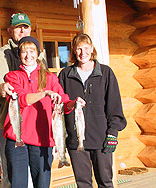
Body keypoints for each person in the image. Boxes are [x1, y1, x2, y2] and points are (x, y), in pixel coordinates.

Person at [3, 36, 85, 188]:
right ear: (19, 55)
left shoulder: (50, 78)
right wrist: (45, 93)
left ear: (38, 53)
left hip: (42, 140)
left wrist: (74, 103)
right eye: (24, 51)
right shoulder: (12, 76)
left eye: (32, 51)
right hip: (17, 139)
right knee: (17, 184)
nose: (28, 55)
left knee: (42, 184)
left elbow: (64, 103)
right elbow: (21, 100)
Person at [58, 33, 127, 188]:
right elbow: (59, 107)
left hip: (102, 138)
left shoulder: (105, 73)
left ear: (92, 49)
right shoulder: (65, 75)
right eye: (79, 49)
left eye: (86, 48)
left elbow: (114, 105)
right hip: (76, 140)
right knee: (83, 184)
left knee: (105, 182)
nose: (83, 53)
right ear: (74, 52)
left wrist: (112, 133)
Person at [0, 13, 36, 188]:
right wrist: (0, 86)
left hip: (34, 121)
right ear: (10, 31)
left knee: (35, 168)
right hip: (9, 121)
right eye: (18, 27)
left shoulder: (37, 52)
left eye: (26, 26)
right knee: (12, 171)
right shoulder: (3, 53)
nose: (22, 30)